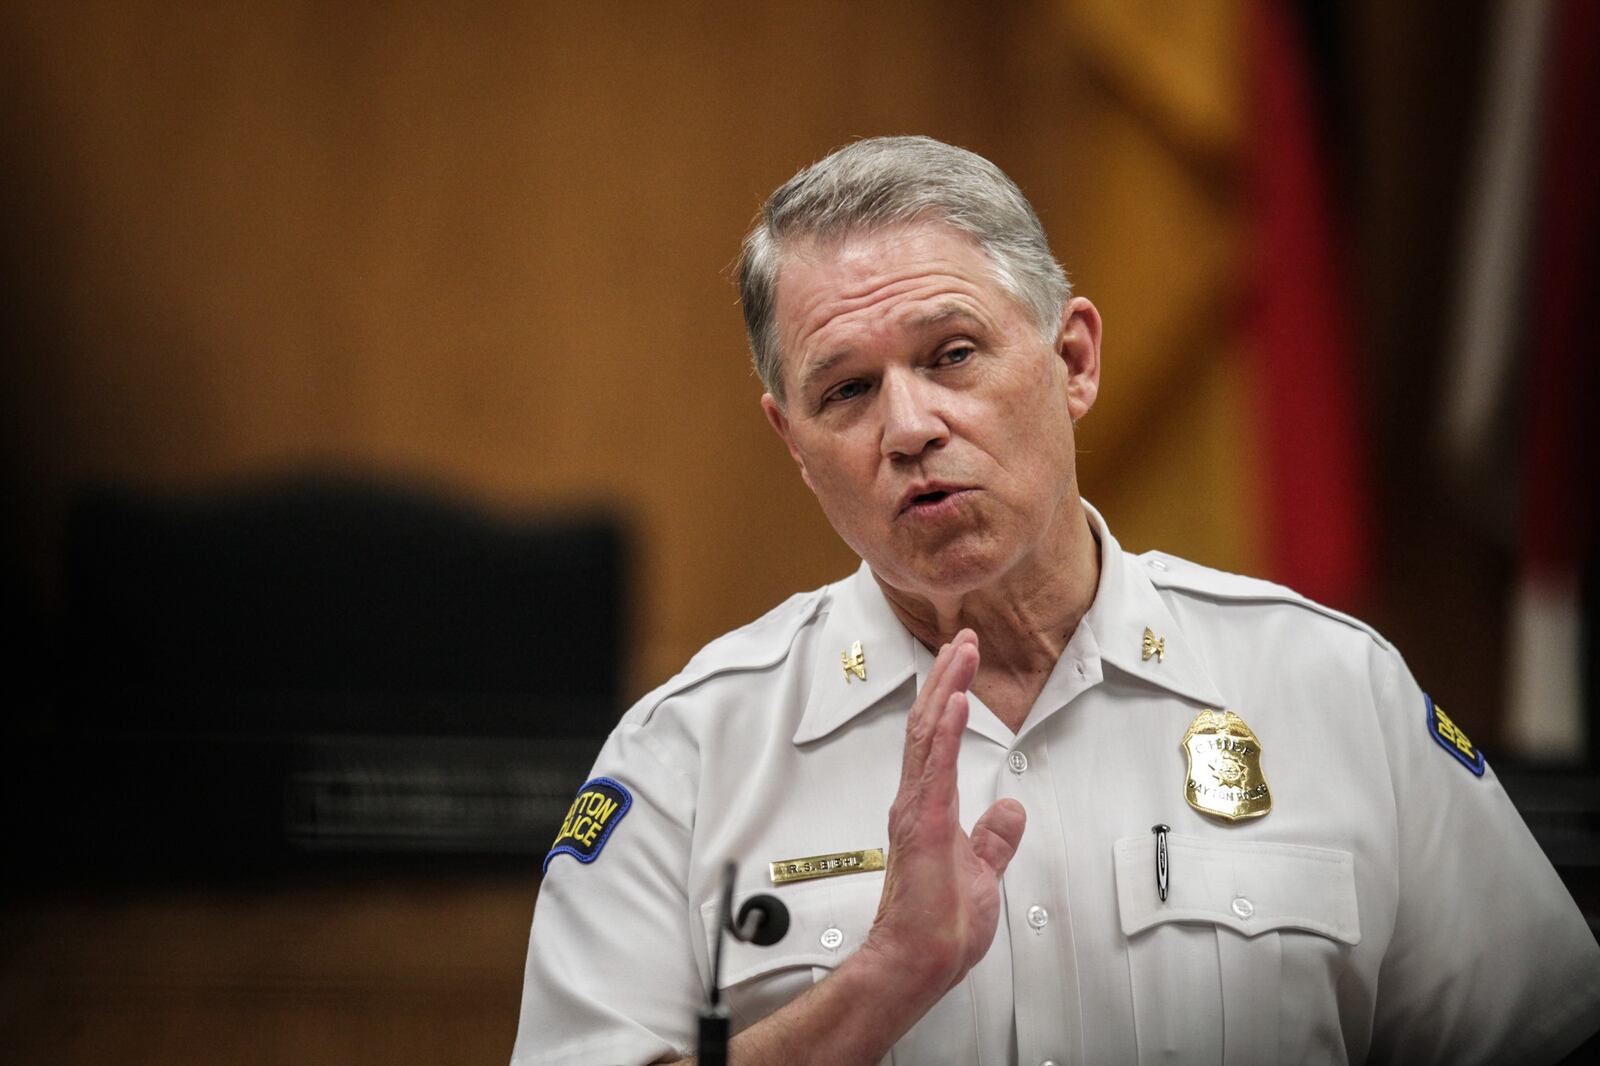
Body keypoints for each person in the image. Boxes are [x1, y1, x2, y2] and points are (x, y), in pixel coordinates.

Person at [511, 136, 1600, 1065]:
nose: (908, 427)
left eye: (952, 355)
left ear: (1071, 358)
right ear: (792, 442)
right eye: (845, 389)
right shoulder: (689, 756)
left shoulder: (1328, 689)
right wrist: (879, 984)